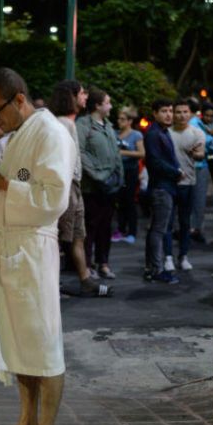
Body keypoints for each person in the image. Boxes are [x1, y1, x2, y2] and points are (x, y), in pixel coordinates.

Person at [0, 67, 74, 425]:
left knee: (44, 344)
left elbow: (53, 198)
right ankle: (26, 423)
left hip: (34, 247)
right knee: (20, 344)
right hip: (12, 244)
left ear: (19, 99)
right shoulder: (15, 139)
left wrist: (3, 186)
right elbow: (8, 189)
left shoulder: (50, 134)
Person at [49, 80, 112, 297]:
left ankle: (85, 278)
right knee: (60, 238)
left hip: (73, 185)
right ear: (71, 96)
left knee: (77, 236)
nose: (86, 97)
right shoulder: (62, 124)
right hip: (66, 186)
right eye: (82, 93)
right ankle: (53, 284)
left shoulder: (70, 123)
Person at [76, 87, 124, 280]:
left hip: (110, 186)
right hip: (92, 186)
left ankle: (103, 263)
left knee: (106, 227)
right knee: (91, 227)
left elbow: (115, 153)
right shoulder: (84, 125)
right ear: (97, 105)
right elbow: (79, 151)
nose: (110, 106)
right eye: (107, 102)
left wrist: (118, 177)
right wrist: (96, 173)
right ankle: (87, 265)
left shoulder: (108, 125)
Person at [143, 98, 182, 284]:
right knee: (159, 230)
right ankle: (156, 270)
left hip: (165, 186)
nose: (169, 114)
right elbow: (155, 162)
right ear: (155, 113)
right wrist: (176, 172)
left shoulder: (162, 132)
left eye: (170, 110)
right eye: (164, 111)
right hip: (161, 187)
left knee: (157, 229)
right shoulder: (153, 134)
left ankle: (152, 268)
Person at [165, 99, 205, 272]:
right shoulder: (166, 133)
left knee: (184, 222)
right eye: (178, 112)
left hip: (188, 182)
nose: (181, 115)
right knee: (167, 222)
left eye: (184, 112)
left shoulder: (197, 133)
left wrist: (196, 154)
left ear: (190, 114)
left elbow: (201, 154)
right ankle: (167, 256)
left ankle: (183, 256)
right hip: (168, 183)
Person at [113, 106, 145, 244]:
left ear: (130, 121)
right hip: (117, 171)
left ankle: (132, 232)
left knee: (130, 201)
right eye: (119, 119)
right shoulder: (115, 134)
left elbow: (142, 153)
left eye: (123, 119)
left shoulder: (136, 135)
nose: (120, 121)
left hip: (130, 170)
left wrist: (123, 153)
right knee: (119, 201)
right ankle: (120, 229)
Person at [189, 101, 213, 243]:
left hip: (203, 164)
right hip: (193, 164)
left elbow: (211, 147)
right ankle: (190, 227)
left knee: (200, 199)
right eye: (206, 115)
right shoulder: (195, 123)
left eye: (211, 116)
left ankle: (197, 228)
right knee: (190, 198)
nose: (209, 118)